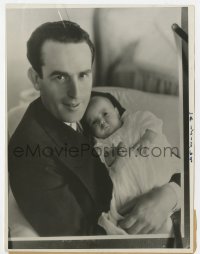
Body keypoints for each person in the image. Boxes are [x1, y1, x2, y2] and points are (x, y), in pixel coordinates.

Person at [8, 20, 181, 237]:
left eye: (83, 74)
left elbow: (160, 154)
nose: (76, 93)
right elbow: (82, 239)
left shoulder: (95, 110)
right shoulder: (30, 153)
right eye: (60, 76)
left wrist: (170, 195)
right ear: (36, 79)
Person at [84, 95, 181, 235]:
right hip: (129, 197)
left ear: (117, 112)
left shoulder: (134, 121)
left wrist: (148, 139)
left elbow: (153, 122)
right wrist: (111, 160)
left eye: (105, 114)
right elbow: (103, 168)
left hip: (157, 182)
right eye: (94, 122)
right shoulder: (100, 145)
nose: (102, 121)